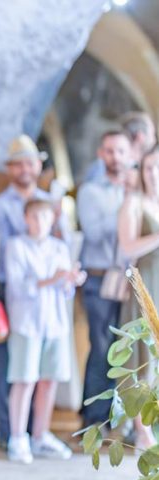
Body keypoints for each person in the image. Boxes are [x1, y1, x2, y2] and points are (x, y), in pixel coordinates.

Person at [0, 134, 69, 449]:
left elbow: (62, 241)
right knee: (10, 365)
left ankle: (38, 433)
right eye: (18, 163)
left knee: (44, 367)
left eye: (30, 162)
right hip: (12, 284)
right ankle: (10, 433)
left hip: (50, 295)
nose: (24, 168)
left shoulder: (50, 201)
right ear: (10, 169)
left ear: (38, 165)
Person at [5, 200, 85, 463]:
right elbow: (18, 286)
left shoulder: (60, 248)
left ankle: (40, 435)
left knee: (49, 379)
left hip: (55, 322)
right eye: (34, 216)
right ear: (26, 218)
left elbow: (65, 290)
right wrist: (53, 279)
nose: (40, 222)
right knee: (25, 378)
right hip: (27, 322)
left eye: (45, 217)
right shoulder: (17, 246)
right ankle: (18, 436)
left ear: (52, 220)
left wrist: (71, 280)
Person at [79, 130, 132, 428]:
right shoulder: (91, 191)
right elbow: (95, 233)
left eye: (121, 151)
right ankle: (96, 419)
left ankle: (118, 416)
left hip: (130, 280)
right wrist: (126, 206)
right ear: (102, 154)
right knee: (102, 348)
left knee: (124, 349)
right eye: (110, 151)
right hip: (99, 280)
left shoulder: (138, 190)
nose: (115, 157)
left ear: (130, 155)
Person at [117, 145, 159, 448]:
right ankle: (141, 430)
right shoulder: (134, 202)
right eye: (148, 168)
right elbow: (127, 247)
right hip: (146, 285)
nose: (154, 174)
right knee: (143, 360)